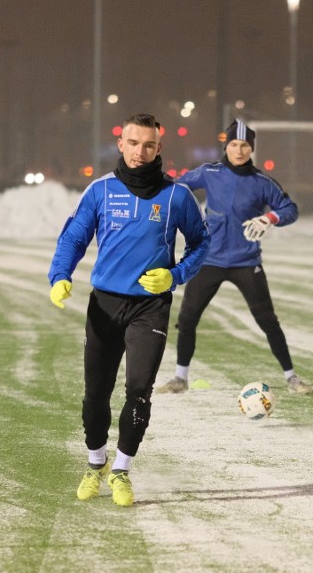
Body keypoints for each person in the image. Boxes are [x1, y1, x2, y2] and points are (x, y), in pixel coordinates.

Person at [48, 113, 210, 507]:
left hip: (150, 308)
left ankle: (121, 470)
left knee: (139, 391)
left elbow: (202, 243)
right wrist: (59, 276)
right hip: (105, 304)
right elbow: (73, 237)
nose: (141, 151)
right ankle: (95, 462)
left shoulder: (176, 196)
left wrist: (175, 275)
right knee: (95, 394)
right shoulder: (100, 191)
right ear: (121, 144)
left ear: (159, 149)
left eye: (149, 145)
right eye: (134, 143)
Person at [156, 119, 312, 395]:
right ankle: (180, 378)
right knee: (188, 318)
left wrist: (270, 217)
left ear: (251, 149)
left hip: (245, 262)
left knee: (268, 321)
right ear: (226, 146)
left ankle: (292, 378)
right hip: (208, 261)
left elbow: (291, 209)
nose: (239, 150)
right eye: (234, 145)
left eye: (244, 146)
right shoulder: (209, 172)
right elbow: (176, 188)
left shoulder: (262, 182)